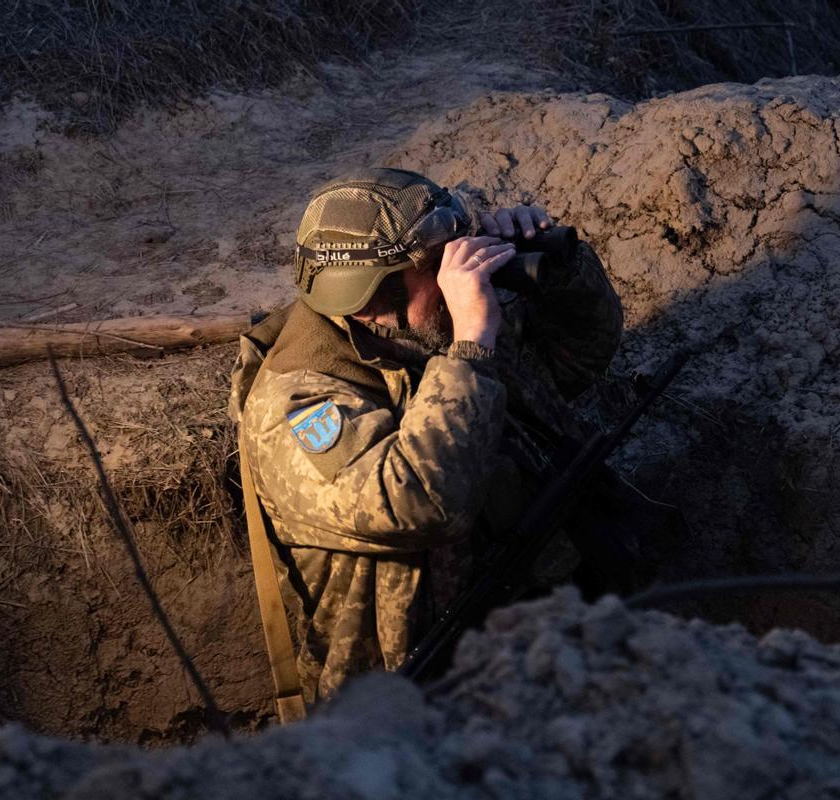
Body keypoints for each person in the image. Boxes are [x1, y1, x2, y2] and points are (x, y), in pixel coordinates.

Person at [228, 167, 623, 701]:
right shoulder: (296, 400)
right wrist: (472, 347)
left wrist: (557, 270)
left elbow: (579, 358)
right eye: (440, 265)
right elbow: (419, 505)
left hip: (531, 629)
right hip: (408, 695)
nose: (459, 274)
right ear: (373, 297)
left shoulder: (423, 331)